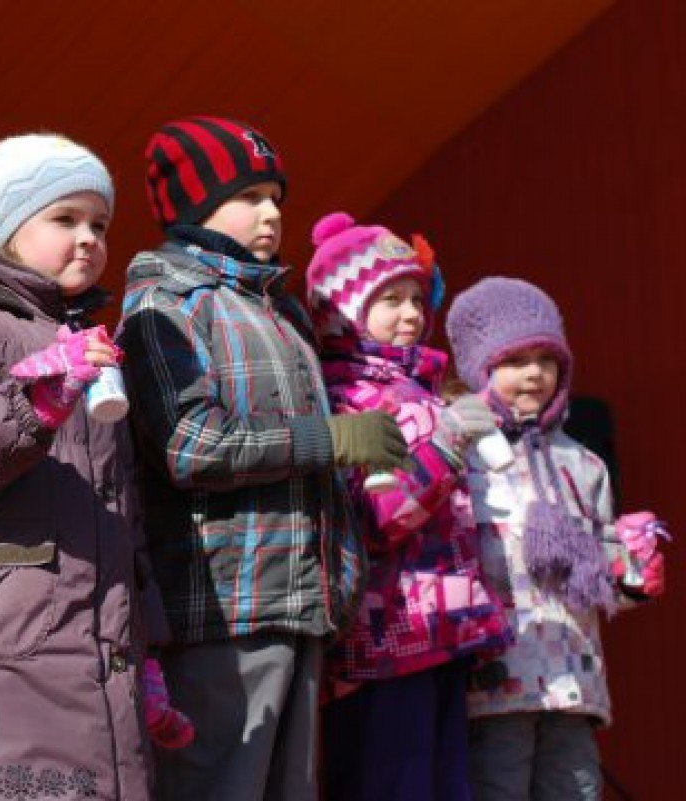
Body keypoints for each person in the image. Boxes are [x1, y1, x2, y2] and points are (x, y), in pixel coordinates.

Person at [118, 117, 408, 800]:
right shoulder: (165, 303)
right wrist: (330, 438)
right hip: (221, 616)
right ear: (194, 207)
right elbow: (190, 443)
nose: (271, 213)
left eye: (275, 197)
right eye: (248, 196)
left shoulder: (282, 313)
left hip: (299, 607)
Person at [0, 133, 189, 801]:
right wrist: (33, 402)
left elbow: (121, 517)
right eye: (64, 218)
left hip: (97, 665)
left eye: (99, 224)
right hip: (1, 665)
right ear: (6, 227)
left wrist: (147, 650)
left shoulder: (89, 347)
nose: (88, 238)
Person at [304, 213, 512, 800]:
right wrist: (447, 445)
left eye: (417, 298)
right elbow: (374, 519)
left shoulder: (422, 389)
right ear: (342, 311)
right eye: (390, 299)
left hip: (442, 633)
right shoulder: (345, 398)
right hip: (385, 643)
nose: (412, 314)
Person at [446, 276, 669, 800]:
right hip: (494, 683)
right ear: (480, 368)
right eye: (515, 360)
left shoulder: (583, 463)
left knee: (576, 789)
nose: (534, 373)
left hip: (573, 680)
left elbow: (596, 575)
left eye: (547, 360)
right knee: (498, 787)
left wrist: (630, 575)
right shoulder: (462, 456)